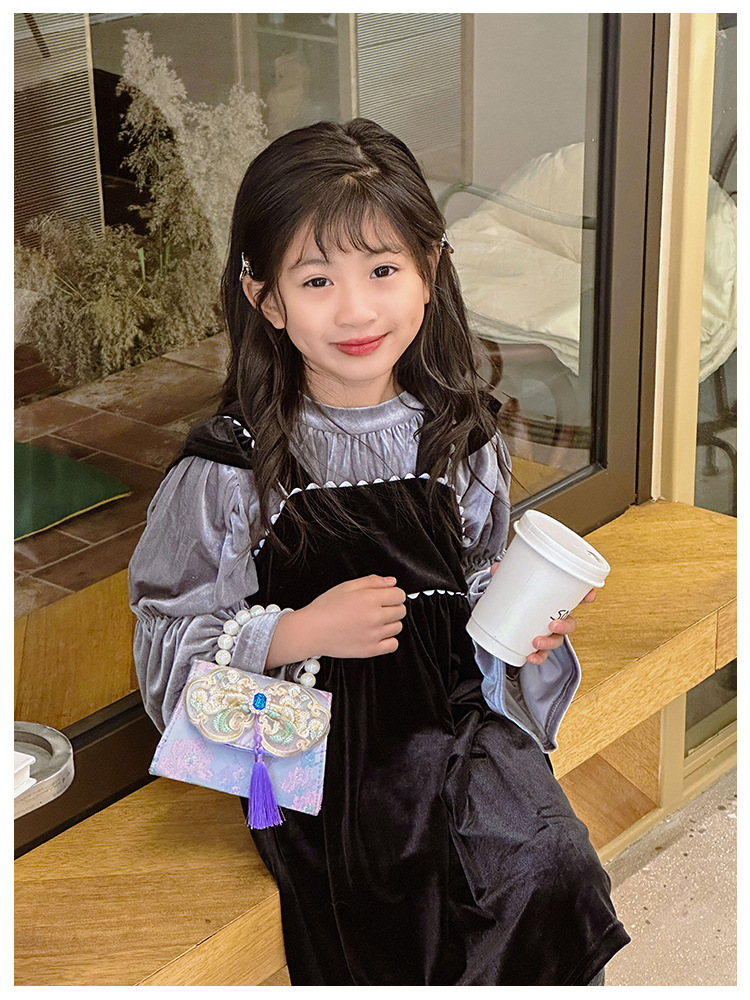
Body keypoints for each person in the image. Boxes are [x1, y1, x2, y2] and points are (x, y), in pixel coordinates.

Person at [129, 118, 629, 986]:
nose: (356, 310)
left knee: (554, 869)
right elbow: (165, 649)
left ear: (430, 271)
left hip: (459, 722)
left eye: (383, 271)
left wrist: (521, 627)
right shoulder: (233, 469)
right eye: (317, 279)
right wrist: (299, 631)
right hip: (318, 760)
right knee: (398, 922)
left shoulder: (461, 438)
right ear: (267, 299)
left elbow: (475, 578)